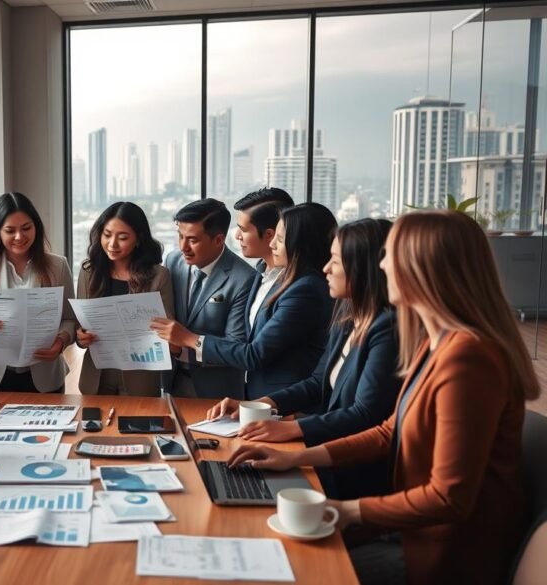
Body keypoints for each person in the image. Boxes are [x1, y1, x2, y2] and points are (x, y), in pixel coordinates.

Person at [228, 210, 538, 585]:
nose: (383, 265)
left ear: (420, 267)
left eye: (389, 255)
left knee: (290, 571)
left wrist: (346, 511)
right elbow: (389, 432)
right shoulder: (435, 344)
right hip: (407, 530)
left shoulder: (468, 357)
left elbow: (449, 498)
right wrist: (294, 456)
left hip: (440, 551)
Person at [207, 218, 399, 499]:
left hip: (353, 471)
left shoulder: (386, 329)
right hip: (326, 457)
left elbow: (364, 414)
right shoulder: (347, 315)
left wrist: (289, 428)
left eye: (335, 260)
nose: (326, 268)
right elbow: (318, 381)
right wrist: (260, 404)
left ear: (363, 268)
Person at [152, 202, 336, 400]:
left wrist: (188, 338)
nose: (272, 243)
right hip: (252, 395)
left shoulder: (303, 289)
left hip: (282, 400)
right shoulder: (264, 274)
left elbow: (253, 353)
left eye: (279, 239)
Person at [0, 192, 75, 392]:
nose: (19, 237)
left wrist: (60, 342)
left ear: (36, 227)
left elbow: (70, 319)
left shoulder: (58, 266)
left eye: (26, 228)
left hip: (44, 376)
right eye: (10, 230)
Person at [158, 198, 257, 399]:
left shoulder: (245, 278)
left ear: (219, 240)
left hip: (217, 393)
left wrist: (183, 347)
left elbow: (236, 346)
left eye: (192, 240)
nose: (183, 247)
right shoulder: (173, 261)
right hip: (170, 383)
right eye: (180, 236)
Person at [75, 201, 174, 396]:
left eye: (122, 237)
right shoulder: (89, 271)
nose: (112, 244)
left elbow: (168, 329)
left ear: (138, 239)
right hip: (97, 376)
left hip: (141, 378)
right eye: (107, 235)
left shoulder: (159, 276)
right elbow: (80, 325)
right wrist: (81, 337)